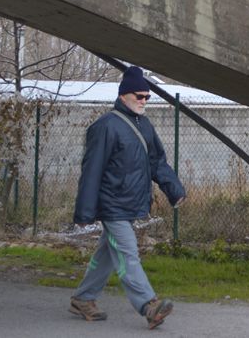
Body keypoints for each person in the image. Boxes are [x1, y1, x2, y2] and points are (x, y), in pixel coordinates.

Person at [69, 65, 186, 329]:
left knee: (109, 253)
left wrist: (174, 190)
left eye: (147, 97)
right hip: (112, 205)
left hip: (129, 203)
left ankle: (83, 298)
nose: (144, 101)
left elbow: (157, 162)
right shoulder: (105, 127)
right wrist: (84, 212)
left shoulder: (144, 125)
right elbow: (92, 170)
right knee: (127, 252)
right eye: (139, 96)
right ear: (124, 95)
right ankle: (148, 305)